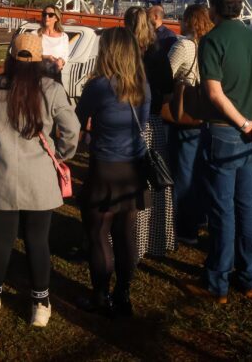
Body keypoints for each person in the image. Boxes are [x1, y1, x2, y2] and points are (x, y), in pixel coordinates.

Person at [0, 33, 80, 327]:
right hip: (39, 176)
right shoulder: (51, 89)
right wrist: (62, 154)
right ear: (41, 58)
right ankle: (40, 303)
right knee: (37, 240)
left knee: (0, 238)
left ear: (10, 58)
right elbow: (72, 129)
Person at [185, 0, 252, 304]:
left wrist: (242, 123)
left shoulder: (212, 41)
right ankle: (249, 276)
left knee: (222, 208)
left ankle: (217, 281)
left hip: (227, 132)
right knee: (248, 204)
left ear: (213, 8)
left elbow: (214, 93)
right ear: (240, 8)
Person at [76, 27, 151, 317]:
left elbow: (78, 120)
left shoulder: (99, 86)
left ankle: (100, 295)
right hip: (133, 167)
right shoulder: (144, 85)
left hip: (105, 165)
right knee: (125, 234)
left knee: (98, 234)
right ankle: (123, 293)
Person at [123, 6, 175, 258]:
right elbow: (168, 91)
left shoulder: (122, 53)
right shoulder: (158, 53)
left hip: (125, 121)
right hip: (152, 123)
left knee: (125, 182)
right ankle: (151, 239)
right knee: (153, 181)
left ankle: (121, 237)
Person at [166, 3, 213, 245]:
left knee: (183, 172)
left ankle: (184, 226)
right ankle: (199, 216)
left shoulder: (184, 45)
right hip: (205, 112)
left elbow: (166, 74)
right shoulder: (211, 45)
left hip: (185, 113)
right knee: (198, 170)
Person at [37, 5, 69, 80]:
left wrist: (61, 61)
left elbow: (65, 56)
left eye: (50, 15)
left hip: (55, 76)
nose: (46, 17)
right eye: (44, 14)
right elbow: (30, 55)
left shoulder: (64, 37)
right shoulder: (35, 34)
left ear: (56, 18)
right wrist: (46, 57)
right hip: (38, 75)